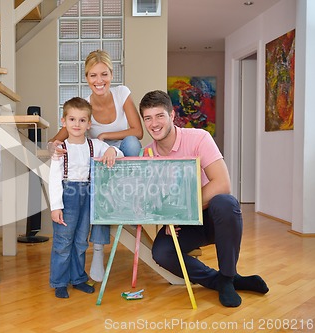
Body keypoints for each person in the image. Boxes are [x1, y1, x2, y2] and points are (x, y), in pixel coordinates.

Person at [138, 90, 269, 307]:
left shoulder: (199, 137)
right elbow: (154, 200)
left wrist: (181, 211)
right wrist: (168, 215)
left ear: (172, 115)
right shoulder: (146, 155)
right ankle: (223, 281)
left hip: (211, 216)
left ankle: (228, 276)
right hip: (185, 224)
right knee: (161, 252)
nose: (154, 123)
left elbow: (222, 183)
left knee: (226, 202)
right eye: (148, 118)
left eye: (159, 115)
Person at [48, 50, 143, 282]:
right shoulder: (84, 107)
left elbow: (138, 132)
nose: (99, 80)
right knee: (98, 195)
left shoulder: (122, 93)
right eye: (92, 75)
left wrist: (107, 137)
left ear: (112, 74)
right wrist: (52, 145)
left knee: (131, 142)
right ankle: (98, 253)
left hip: (118, 155)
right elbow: (62, 135)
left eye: (104, 74)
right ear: (86, 77)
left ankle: (127, 199)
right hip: (100, 169)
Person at [49, 97, 124, 299]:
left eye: (82, 120)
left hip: (87, 197)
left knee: (81, 241)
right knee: (63, 242)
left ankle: (78, 278)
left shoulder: (94, 145)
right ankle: (60, 282)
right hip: (67, 197)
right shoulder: (60, 149)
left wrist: (111, 149)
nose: (77, 124)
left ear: (89, 124)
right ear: (63, 121)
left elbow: (119, 152)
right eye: (72, 119)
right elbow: (54, 179)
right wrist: (56, 207)